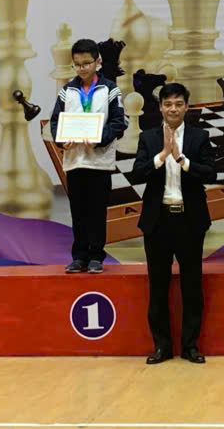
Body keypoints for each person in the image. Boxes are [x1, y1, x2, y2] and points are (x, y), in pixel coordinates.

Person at [132, 82, 214, 364]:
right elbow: (137, 173)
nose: (173, 109)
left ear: (187, 107)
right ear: (160, 108)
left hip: (190, 220)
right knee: (158, 286)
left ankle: (190, 346)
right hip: (158, 221)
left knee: (191, 286)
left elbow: (210, 173)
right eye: (168, 104)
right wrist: (162, 156)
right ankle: (162, 347)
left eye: (179, 104)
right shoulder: (148, 137)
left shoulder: (200, 136)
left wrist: (181, 158)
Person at [48, 38, 126, 273]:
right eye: (78, 64)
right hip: (74, 161)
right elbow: (55, 122)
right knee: (78, 212)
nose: (82, 68)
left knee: (97, 212)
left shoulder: (110, 89)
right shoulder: (67, 91)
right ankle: (79, 256)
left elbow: (119, 123)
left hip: (99, 162)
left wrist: (99, 138)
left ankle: (96, 256)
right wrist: (61, 139)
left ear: (97, 62)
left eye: (86, 63)